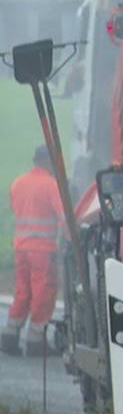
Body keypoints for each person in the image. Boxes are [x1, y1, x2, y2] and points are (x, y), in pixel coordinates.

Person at [1, 146, 65, 356]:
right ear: (48, 161)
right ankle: (36, 341)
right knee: (42, 293)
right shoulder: (50, 184)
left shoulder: (18, 183)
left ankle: (10, 336)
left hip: (21, 248)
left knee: (22, 291)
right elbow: (64, 217)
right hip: (42, 250)